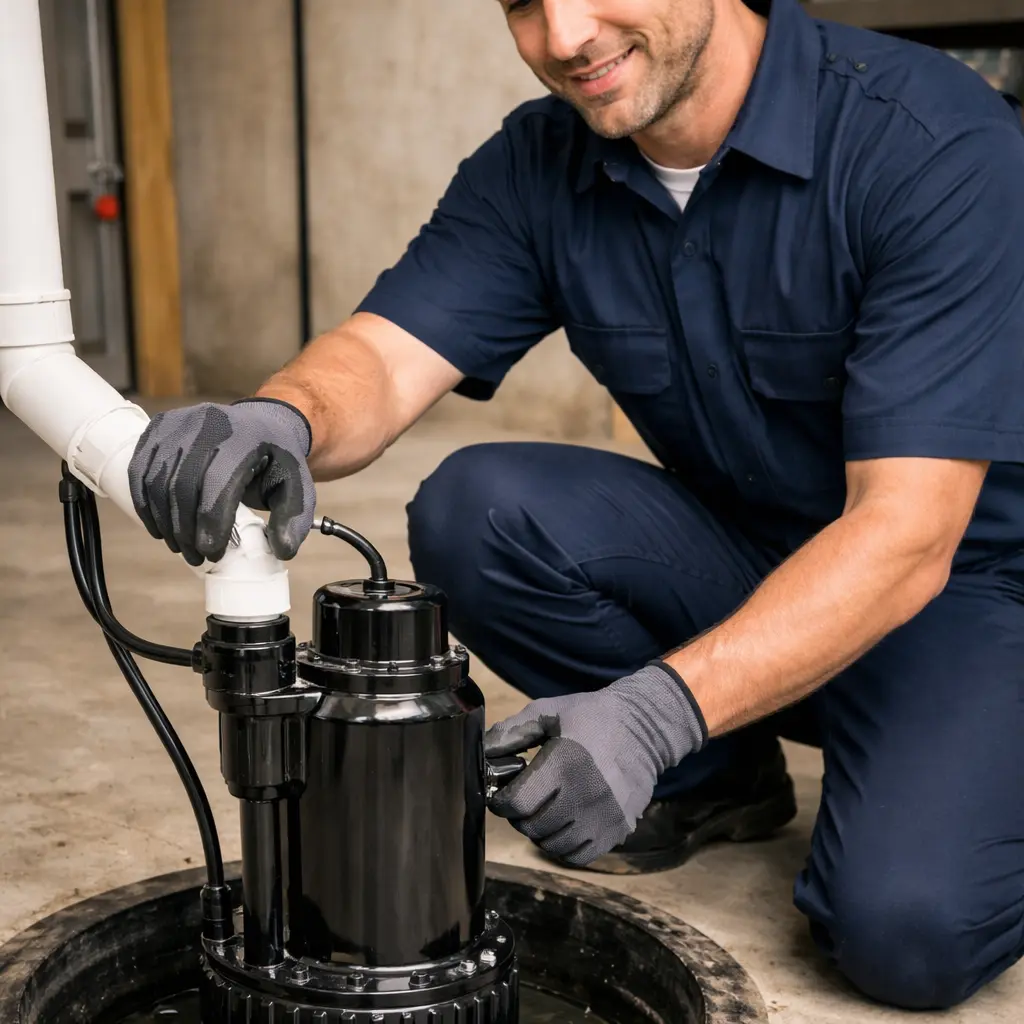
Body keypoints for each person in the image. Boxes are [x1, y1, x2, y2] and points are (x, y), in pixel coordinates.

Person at [127, 0, 1024, 1010]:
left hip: (965, 594)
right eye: (520, 0)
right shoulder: (541, 164)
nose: (562, 36)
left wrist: (652, 710)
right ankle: (715, 780)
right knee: (481, 509)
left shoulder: (930, 145)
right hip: (754, 557)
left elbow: (908, 535)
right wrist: (279, 417)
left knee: (908, 929)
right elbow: (383, 355)